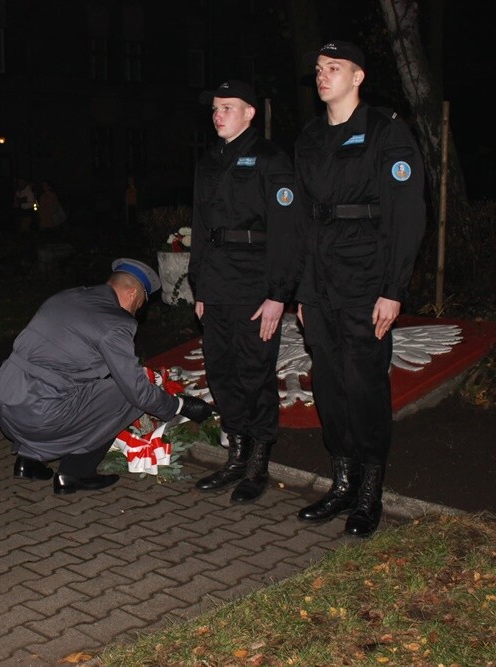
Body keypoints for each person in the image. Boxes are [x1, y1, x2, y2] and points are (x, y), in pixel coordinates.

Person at [293, 41, 426, 537]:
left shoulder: (386, 133)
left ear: (358, 77)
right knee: (328, 383)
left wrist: (394, 289)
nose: (323, 76)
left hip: (367, 279)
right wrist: (303, 291)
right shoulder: (308, 138)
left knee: (364, 385)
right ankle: (343, 480)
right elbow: (305, 220)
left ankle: (371, 489)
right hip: (321, 283)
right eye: (319, 68)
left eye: (334, 68)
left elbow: (407, 214)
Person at [0, 258, 214, 494]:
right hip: (39, 415)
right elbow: (136, 391)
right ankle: (76, 473)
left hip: (4, 399)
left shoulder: (66, 297)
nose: (138, 310)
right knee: (126, 394)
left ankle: (29, 462)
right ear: (131, 293)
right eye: (140, 303)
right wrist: (180, 405)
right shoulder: (115, 323)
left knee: (64, 383)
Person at [188, 80, 301, 505]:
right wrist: (199, 283)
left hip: (255, 282)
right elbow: (201, 225)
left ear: (250, 112)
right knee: (221, 370)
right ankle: (235, 456)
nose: (218, 115)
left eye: (228, 107)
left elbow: (288, 231)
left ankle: (258, 463)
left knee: (255, 374)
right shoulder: (209, 160)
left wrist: (278, 294)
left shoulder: (272, 160)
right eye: (215, 108)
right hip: (216, 282)